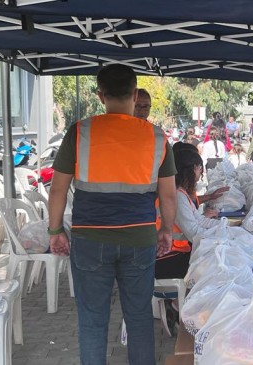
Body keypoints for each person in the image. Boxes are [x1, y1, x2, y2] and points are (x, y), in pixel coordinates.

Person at [48, 64, 177, 365]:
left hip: (90, 239)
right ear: (135, 94)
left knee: (93, 320)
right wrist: (167, 230)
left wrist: (55, 231)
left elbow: (57, 191)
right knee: (139, 318)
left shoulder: (80, 132)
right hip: (139, 239)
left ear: (101, 95)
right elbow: (169, 194)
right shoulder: (157, 138)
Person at [155, 148, 225, 336]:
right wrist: (219, 235)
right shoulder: (177, 196)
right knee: (208, 268)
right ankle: (178, 306)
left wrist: (224, 228)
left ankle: (177, 306)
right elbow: (194, 232)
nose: (200, 172)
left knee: (211, 261)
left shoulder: (181, 193)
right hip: (166, 259)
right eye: (198, 168)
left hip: (176, 254)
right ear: (191, 169)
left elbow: (199, 221)